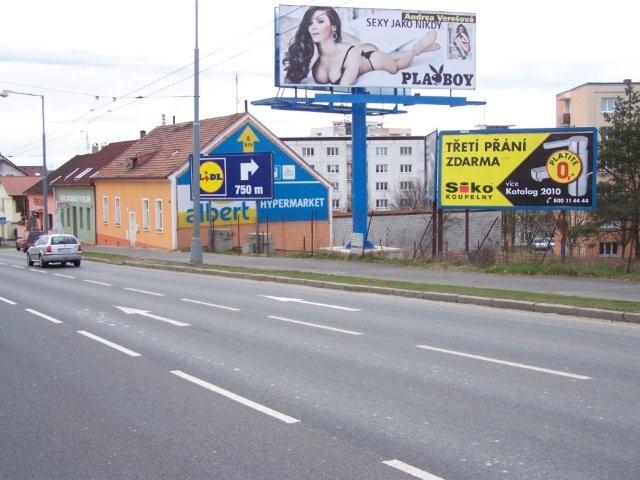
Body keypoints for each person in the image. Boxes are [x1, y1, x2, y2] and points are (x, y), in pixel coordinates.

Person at [283, 6, 440, 86]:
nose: (314, 27)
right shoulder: (311, 53)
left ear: (334, 27)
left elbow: (344, 87)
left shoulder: (350, 53)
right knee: (393, 56)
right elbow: (289, 80)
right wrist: (310, 61)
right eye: (310, 23)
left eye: (320, 22)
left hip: (370, 58)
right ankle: (418, 48)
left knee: (397, 66)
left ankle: (417, 49)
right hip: (358, 50)